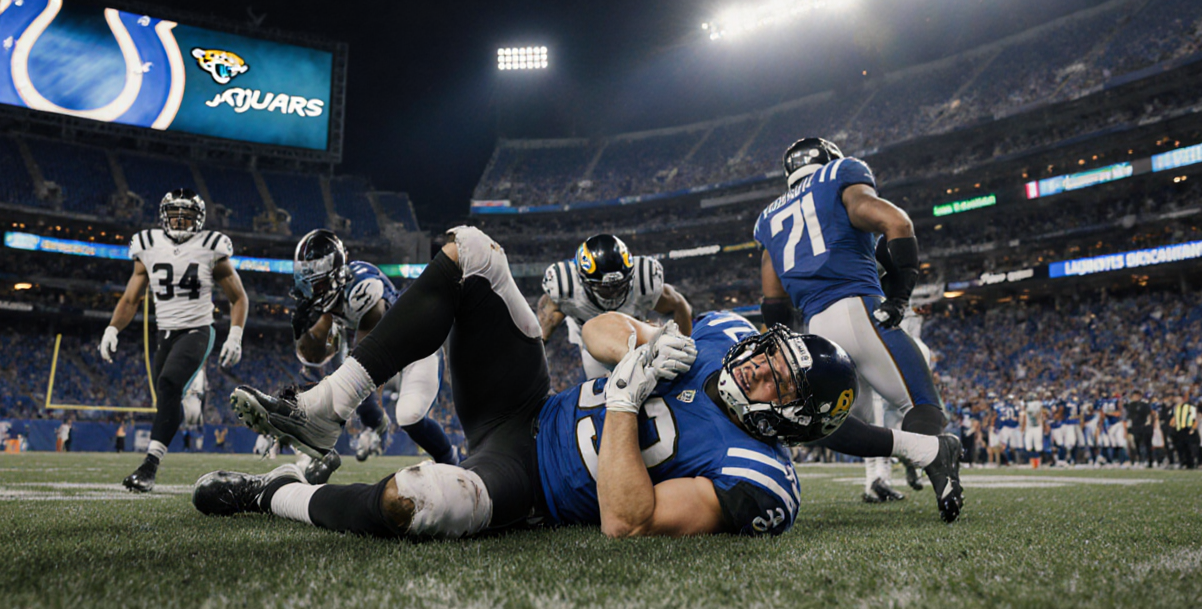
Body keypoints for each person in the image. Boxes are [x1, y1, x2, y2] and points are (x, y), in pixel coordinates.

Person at [201, 227, 962, 538]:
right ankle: (327, 407)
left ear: (789, 424)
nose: (758, 362)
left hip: (529, 476)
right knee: (469, 249)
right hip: (523, 400)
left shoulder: (761, 482)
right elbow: (598, 333)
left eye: (774, 379)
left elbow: (627, 520)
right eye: (773, 352)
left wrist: (628, 401)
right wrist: (643, 341)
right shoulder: (724, 337)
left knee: (418, 501)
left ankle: (270, 493)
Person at [753, 138, 950, 499]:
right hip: (860, 310)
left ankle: (879, 479)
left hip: (817, 333)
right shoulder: (839, 175)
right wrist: (901, 296)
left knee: (833, 422)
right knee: (921, 404)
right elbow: (897, 222)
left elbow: (774, 301)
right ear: (830, 160)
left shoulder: (768, 218)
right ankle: (941, 473)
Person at [99, 189, 249, 492]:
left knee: (168, 383)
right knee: (167, 400)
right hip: (164, 332)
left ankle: (149, 467)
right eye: (174, 215)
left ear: (199, 220)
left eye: (187, 215)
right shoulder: (148, 245)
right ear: (163, 216)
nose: (180, 221)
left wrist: (235, 335)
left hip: (197, 329)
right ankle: (194, 390)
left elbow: (238, 297)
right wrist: (112, 328)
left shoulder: (210, 246)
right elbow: (131, 298)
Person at [290, 229, 458, 476]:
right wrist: (302, 334)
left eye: (317, 283)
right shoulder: (333, 301)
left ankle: (454, 463)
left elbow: (368, 359)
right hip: (384, 354)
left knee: (409, 416)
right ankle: (324, 449)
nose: (312, 291)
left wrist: (364, 405)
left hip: (416, 348)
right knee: (343, 389)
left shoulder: (363, 287)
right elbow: (315, 357)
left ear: (334, 275)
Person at [538, 233, 693, 379]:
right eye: (604, 287)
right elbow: (544, 328)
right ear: (581, 279)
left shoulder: (644, 281)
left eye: (619, 285)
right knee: (605, 392)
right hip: (593, 351)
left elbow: (680, 306)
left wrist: (684, 344)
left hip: (636, 339)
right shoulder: (566, 288)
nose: (613, 292)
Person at [1170, 393, 1199, 469]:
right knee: (1180, 447)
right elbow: (1175, 418)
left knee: (1188, 447)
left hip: (1187, 429)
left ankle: (1190, 463)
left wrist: (1193, 428)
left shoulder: (1190, 407)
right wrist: (1173, 426)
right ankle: (1183, 462)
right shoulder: (1176, 407)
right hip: (1178, 430)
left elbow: (1194, 418)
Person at [1126, 391, 1154, 468]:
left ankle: (1149, 460)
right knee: (1136, 444)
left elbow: (1149, 415)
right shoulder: (1131, 406)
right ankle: (1139, 460)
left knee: (1146, 444)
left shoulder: (1145, 405)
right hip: (1135, 427)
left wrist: (1147, 425)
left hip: (1144, 427)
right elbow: (1129, 417)